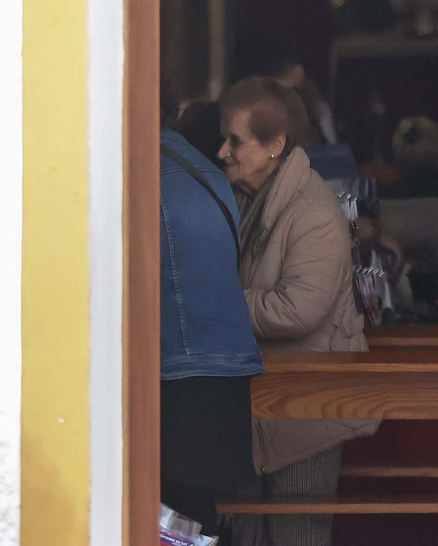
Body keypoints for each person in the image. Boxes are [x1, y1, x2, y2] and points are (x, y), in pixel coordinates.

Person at [218, 77, 377, 546]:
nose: (222, 151)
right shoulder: (258, 197)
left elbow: (298, 310)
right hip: (270, 406)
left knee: (295, 536)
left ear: (276, 145)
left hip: (307, 410)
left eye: (235, 140)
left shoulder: (310, 211)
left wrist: (214, 308)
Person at [159, 81, 263, 536]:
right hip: (225, 370)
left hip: (174, 371)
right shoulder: (208, 171)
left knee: (165, 519)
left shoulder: (129, 169)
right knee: (194, 523)